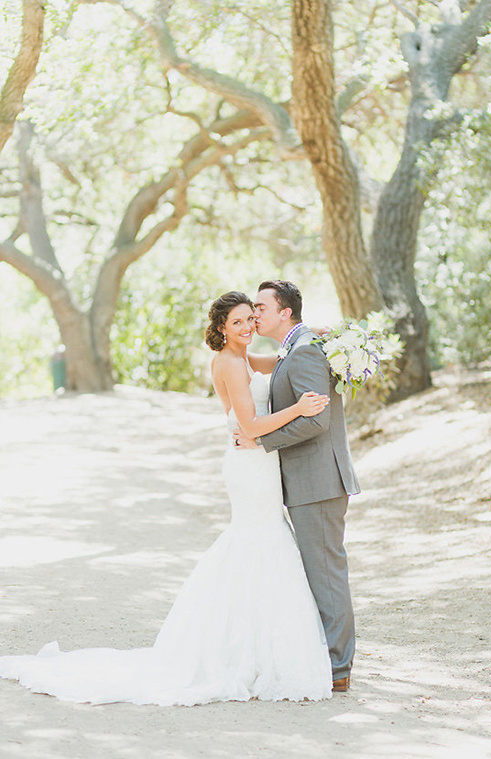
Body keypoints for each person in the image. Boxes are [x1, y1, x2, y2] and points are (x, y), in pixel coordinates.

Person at [0, 291, 333, 705]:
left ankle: (258, 648)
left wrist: (314, 335)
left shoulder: (245, 357)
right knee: (258, 542)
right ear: (221, 330)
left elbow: (282, 360)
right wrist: (299, 408)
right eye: (238, 323)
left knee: (265, 541)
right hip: (249, 463)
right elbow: (249, 425)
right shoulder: (228, 363)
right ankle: (243, 652)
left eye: (251, 319)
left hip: (260, 464)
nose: (248, 328)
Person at [233, 280, 360, 692]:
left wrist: (261, 440)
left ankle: (338, 669)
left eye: (262, 308)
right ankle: (329, 659)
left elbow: (316, 420)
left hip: (319, 482)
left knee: (326, 574)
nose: (256, 314)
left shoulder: (304, 349)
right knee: (318, 572)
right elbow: (262, 364)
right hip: (308, 482)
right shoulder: (297, 345)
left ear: (285, 312)